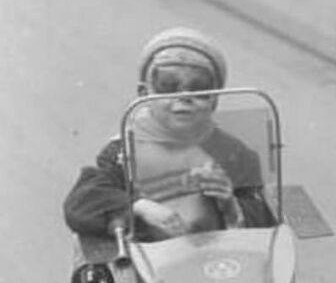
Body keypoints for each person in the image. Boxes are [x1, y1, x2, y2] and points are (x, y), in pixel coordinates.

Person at [64, 27, 275, 241]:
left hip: (216, 259)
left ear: (214, 99)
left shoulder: (234, 154)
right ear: (144, 94)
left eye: (199, 88)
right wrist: (139, 207)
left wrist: (231, 205)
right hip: (146, 260)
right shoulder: (125, 150)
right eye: (168, 86)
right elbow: (83, 200)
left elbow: (265, 217)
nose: (184, 98)